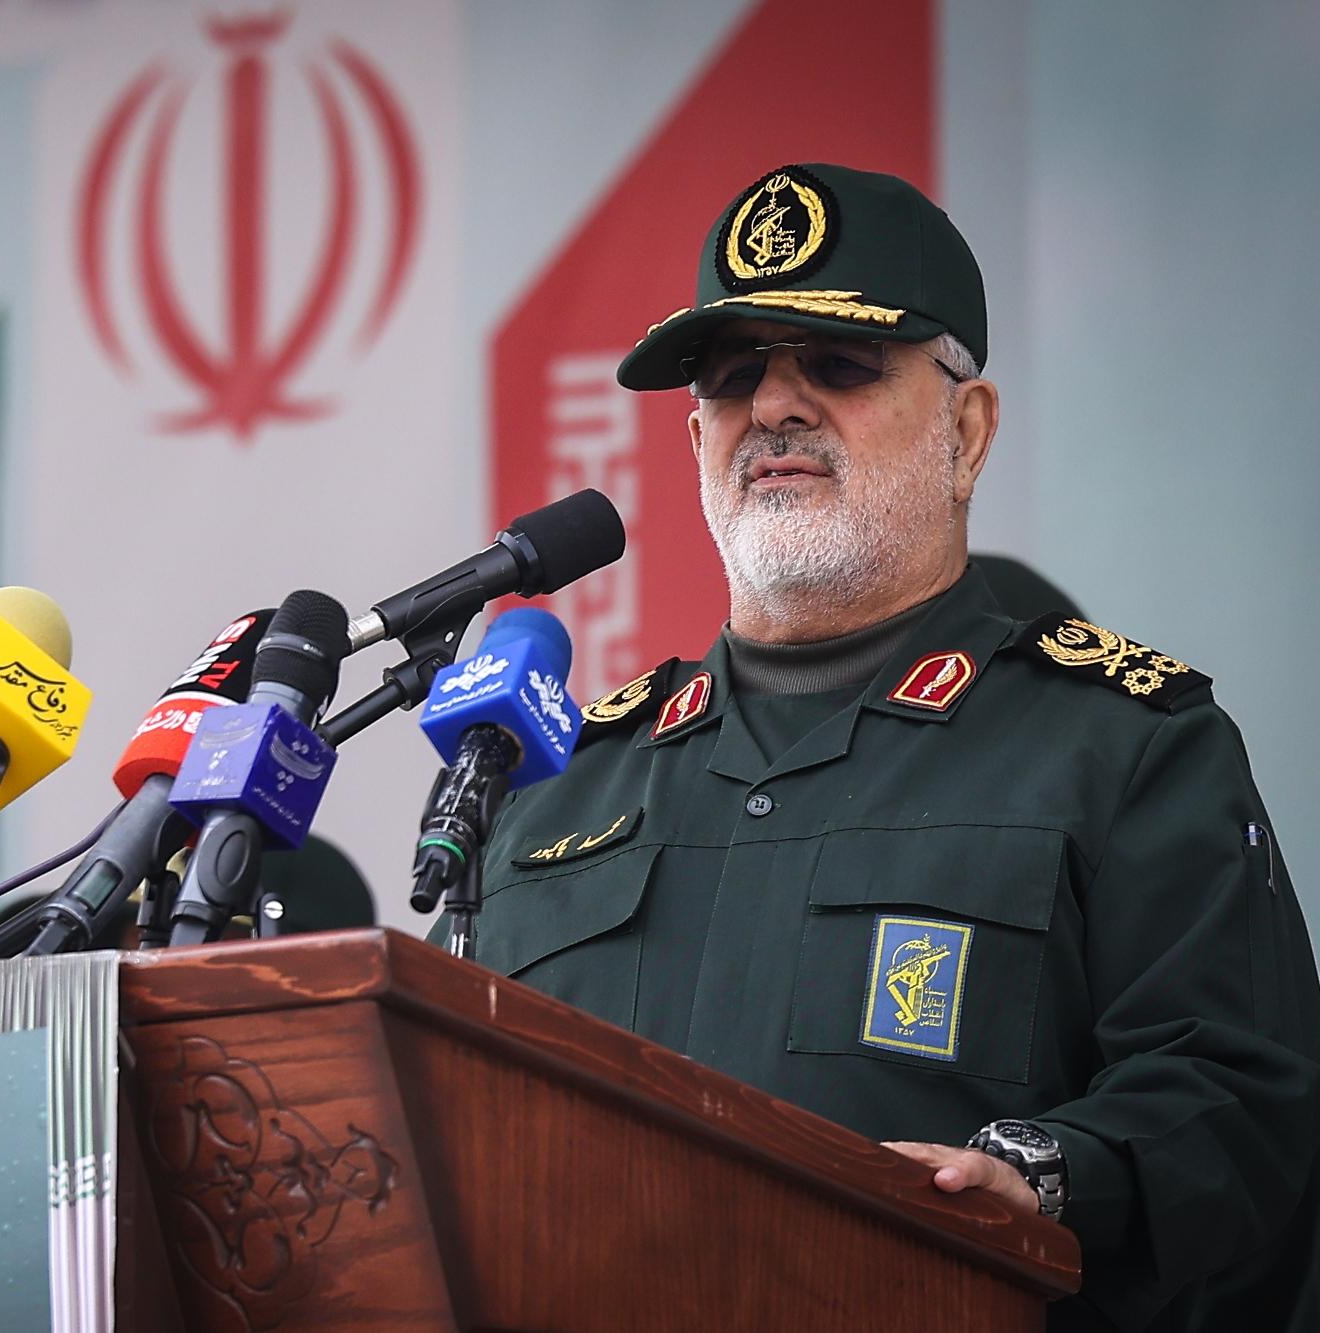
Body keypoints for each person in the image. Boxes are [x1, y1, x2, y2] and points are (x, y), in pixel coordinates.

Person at [460, 163, 1319, 1330]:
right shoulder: (557, 787)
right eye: (733, 375)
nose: (774, 404)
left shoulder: (1122, 748)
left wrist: (1043, 1178)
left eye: (838, 362)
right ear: (696, 437)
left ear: (966, 429)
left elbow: (1241, 1099)